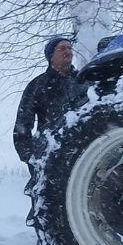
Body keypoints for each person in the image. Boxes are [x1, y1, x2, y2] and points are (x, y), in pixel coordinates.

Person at [13, 37, 88, 170]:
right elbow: (22, 124)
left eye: (70, 48)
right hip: (50, 155)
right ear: (51, 56)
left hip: (85, 153)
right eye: (62, 48)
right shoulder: (37, 85)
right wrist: (30, 157)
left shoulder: (84, 81)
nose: (68, 52)